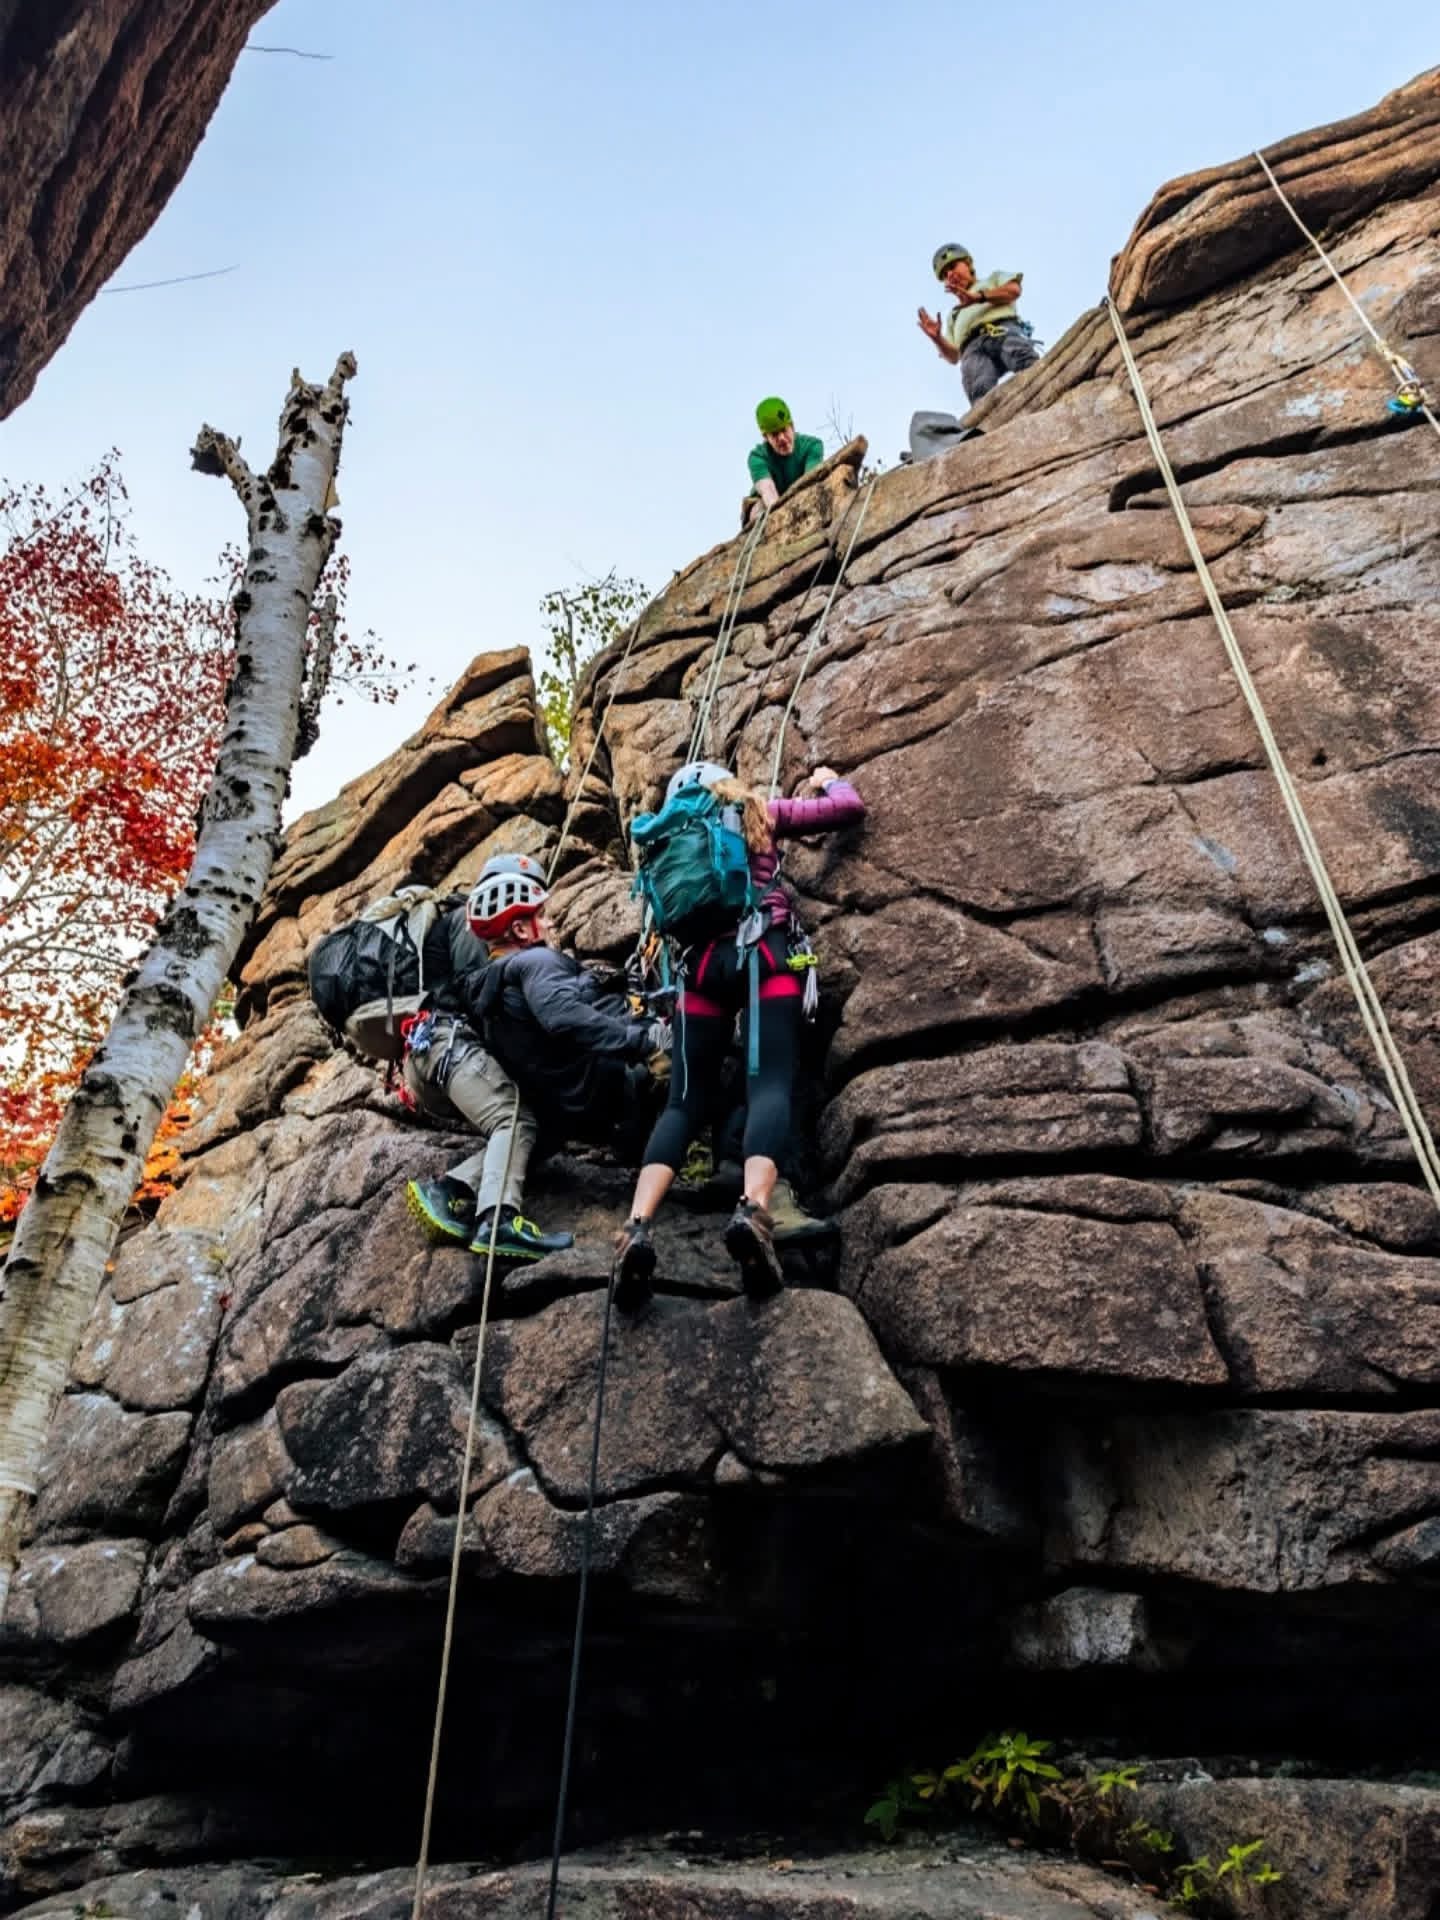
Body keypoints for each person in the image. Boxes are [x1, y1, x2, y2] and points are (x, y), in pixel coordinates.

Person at [612, 761, 866, 1308]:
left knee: (682, 1104)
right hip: (763, 956)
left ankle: (635, 1227)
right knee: (769, 1082)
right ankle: (754, 1210)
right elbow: (849, 812)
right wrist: (827, 781)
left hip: (698, 973)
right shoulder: (758, 811)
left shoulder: (665, 838)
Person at [403, 856, 575, 1264]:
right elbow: (486, 997)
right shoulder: (472, 924)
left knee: (541, 1133)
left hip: (434, 1051)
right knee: (511, 1120)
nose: (543, 921)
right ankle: (499, 1220)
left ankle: (452, 1190)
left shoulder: (457, 924)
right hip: (450, 1043)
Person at [470, 857, 671, 1153]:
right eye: (542, 915)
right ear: (521, 930)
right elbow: (564, 1018)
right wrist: (642, 1043)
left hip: (563, 1109)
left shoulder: (491, 984)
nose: (550, 922)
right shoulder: (536, 961)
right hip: (605, 1089)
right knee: (714, 1052)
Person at [917, 243, 1038, 406]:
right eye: (945, 274)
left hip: (1003, 331)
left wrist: (979, 297)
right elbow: (953, 356)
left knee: (1026, 362)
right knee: (979, 390)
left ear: (968, 264)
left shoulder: (993, 279)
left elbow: (1014, 290)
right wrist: (937, 338)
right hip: (971, 349)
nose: (950, 274)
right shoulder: (954, 315)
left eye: (953, 266)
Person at [745, 397, 824, 526]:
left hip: (800, 497)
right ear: (766, 438)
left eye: (784, 430)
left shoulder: (812, 446)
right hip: (767, 503)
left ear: (792, 426)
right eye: (774, 435)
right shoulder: (757, 457)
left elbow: (810, 482)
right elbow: (768, 492)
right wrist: (783, 520)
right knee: (759, 512)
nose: (781, 438)